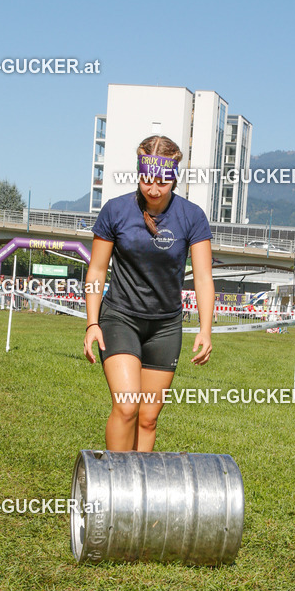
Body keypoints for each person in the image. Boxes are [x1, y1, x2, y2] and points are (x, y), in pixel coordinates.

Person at [84, 135, 214, 451]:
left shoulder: (192, 216)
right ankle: (115, 485)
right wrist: (92, 323)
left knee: (148, 418)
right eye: (147, 181)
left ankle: (139, 490)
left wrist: (206, 329)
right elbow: (97, 271)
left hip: (165, 327)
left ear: (175, 179)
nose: (153, 190)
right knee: (128, 406)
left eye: (162, 183)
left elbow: (203, 277)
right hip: (120, 319)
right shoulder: (115, 211)